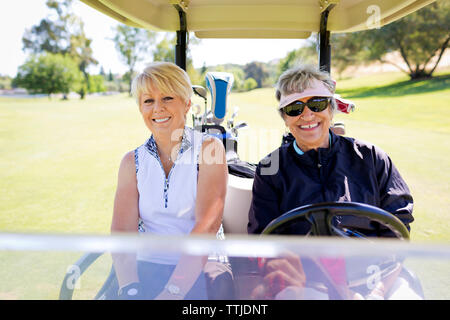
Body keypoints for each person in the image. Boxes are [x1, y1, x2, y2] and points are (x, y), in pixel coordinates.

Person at [247, 64, 417, 299]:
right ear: (285, 118)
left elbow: (398, 230)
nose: (307, 115)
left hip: (375, 278)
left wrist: (377, 292)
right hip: (307, 283)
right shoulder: (270, 169)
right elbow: (264, 240)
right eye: (295, 108)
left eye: (317, 104)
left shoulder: (371, 158)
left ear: (331, 109)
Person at [111, 61, 228, 300]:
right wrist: (130, 288)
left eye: (167, 98)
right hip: (146, 264)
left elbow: (206, 228)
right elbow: (122, 232)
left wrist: (172, 292)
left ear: (186, 104)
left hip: (203, 266)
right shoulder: (131, 162)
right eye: (148, 101)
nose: (158, 109)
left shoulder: (209, 150)